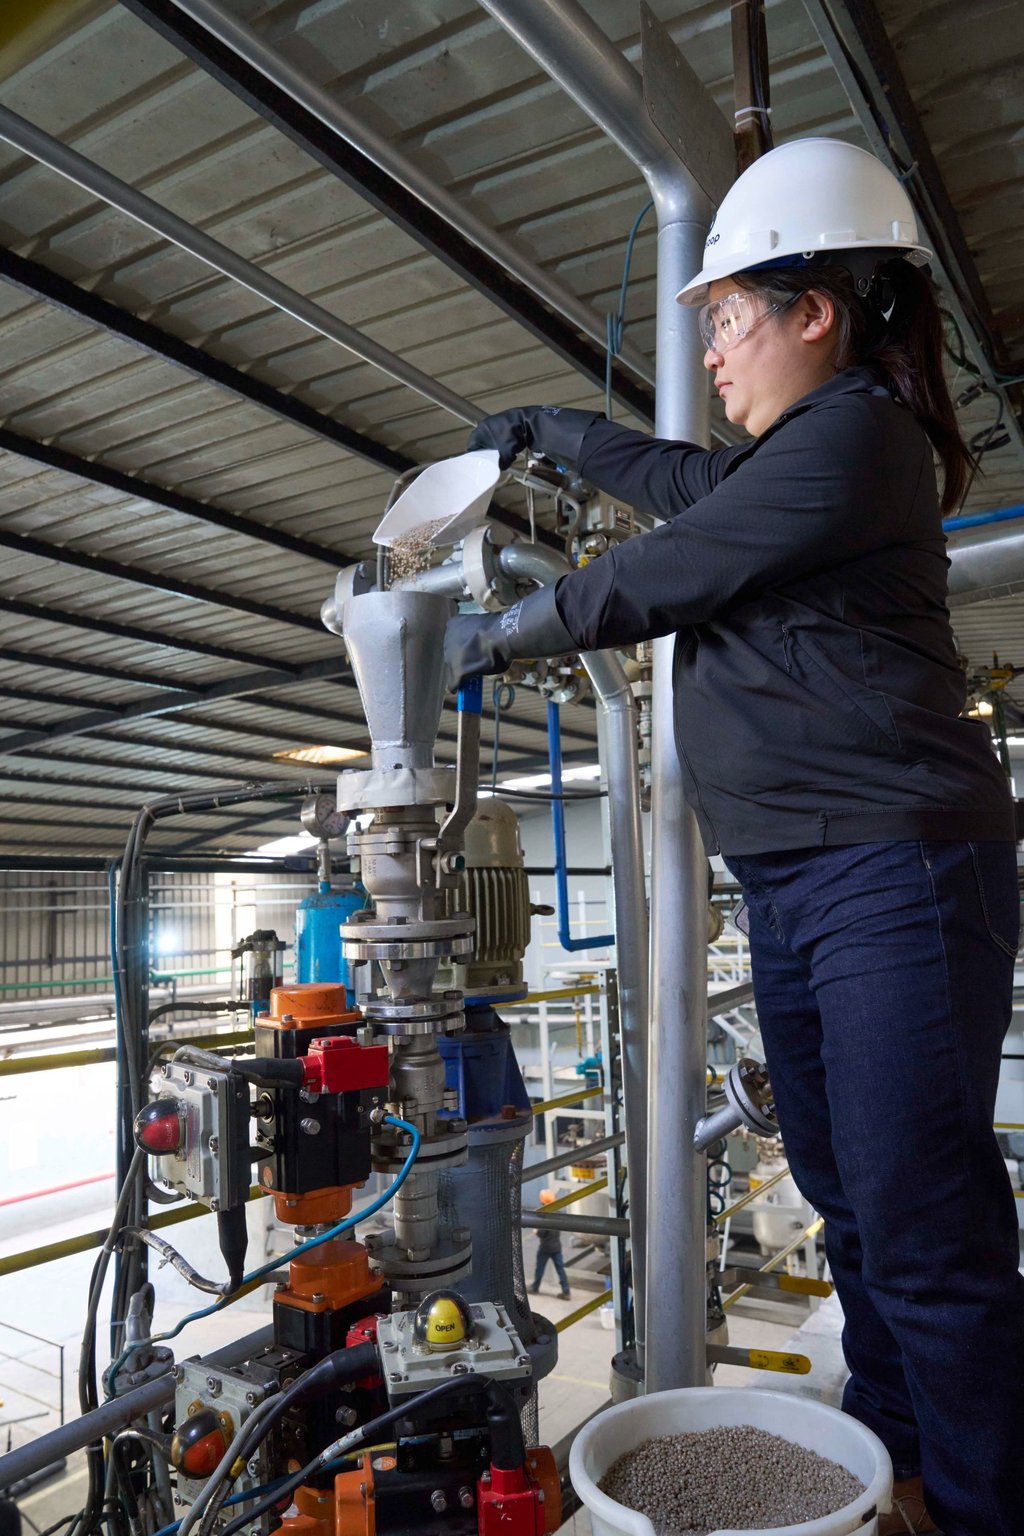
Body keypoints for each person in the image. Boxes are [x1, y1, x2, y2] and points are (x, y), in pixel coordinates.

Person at [444, 138, 1024, 1536]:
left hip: (893, 865)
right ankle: (900, 1468)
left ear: (813, 311)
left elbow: (666, 566)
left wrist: (496, 634)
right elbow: (676, 482)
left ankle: (988, 1505)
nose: (708, 353)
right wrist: (545, 426)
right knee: (849, 1196)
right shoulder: (796, 458)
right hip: (800, 877)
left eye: (724, 321)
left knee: (921, 1218)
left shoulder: (863, 438)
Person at [530, 1189, 571, 1299]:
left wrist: (536, 1231)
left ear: (543, 1201)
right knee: (560, 1269)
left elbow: (542, 1233)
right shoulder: (557, 1213)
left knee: (540, 1268)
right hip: (556, 1247)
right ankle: (566, 1291)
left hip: (545, 1247)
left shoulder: (545, 1215)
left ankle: (535, 1287)